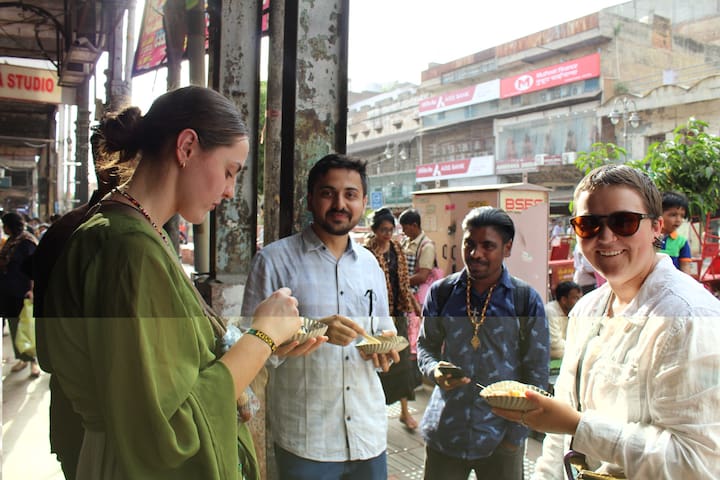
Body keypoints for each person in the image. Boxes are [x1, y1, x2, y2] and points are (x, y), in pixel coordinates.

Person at [42, 86, 310, 480]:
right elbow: (170, 429)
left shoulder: (135, 232)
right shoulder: (130, 249)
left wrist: (261, 341)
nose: (230, 190)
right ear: (186, 147)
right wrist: (262, 336)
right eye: (229, 170)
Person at [494, 165, 720, 479]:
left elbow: (697, 463)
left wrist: (578, 426)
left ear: (656, 227)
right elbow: (559, 441)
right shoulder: (587, 309)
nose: (606, 236)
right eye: (588, 225)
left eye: (623, 221)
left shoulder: (690, 318)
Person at [241, 153, 399, 480]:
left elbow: (385, 330)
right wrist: (311, 330)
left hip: (368, 434)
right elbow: (249, 350)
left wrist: (386, 349)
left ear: (364, 202)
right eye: (328, 193)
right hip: (306, 439)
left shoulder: (371, 264)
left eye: (350, 195)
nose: (340, 203)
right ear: (310, 199)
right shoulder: (273, 261)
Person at [417, 206, 549, 480]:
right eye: (469, 244)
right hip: (446, 432)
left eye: (487, 246)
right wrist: (434, 370)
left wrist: (515, 437)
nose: (475, 254)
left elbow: (536, 371)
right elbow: (425, 347)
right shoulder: (441, 293)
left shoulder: (525, 300)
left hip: (502, 438)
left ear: (507, 248)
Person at [32, 129, 131, 480]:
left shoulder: (65, 230)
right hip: (108, 426)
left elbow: (46, 351)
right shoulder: (119, 237)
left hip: (75, 417)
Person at [365, 207, 422, 431]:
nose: (387, 234)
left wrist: (415, 305)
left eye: (391, 230)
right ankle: (377, 412)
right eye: (383, 230)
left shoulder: (397, 248)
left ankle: (404, 412)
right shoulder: (366, 252)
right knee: (381, 365)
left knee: (402, 362)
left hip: (398, 313)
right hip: (378, 315)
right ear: (375, 230)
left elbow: (404, 282)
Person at [0, 211, 40, 377]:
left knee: (27, 328)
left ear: (10, 226)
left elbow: (35, 267)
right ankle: (22, 358)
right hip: (8, 291)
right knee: (15, 326)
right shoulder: (11, 241)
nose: (4, 228)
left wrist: (32, 289)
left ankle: (33, 362)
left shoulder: (26, 242)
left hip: (22, 292)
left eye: (5, 225)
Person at [544, 281, 582, 360]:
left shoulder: (574, 311)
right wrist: (577, 348)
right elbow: (554, 343)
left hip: (564, 350)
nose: (580, 302)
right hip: (548, 353)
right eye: (576, 298)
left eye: (580, 298)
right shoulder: (550, 311)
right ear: (564, 300)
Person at [658, 191, 693, 275]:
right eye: (673, 215)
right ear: (658, 214)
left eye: (682, 216)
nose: (678, 220)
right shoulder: (647, 238)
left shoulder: (681, 242)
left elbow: (685, 268)